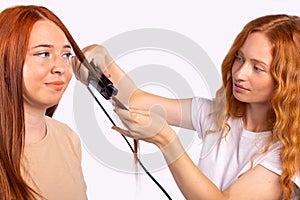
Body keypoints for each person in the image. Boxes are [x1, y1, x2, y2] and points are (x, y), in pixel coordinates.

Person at [74, 14, 300, 199]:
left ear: (289, 81)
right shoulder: (218, 115)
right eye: (239, 59)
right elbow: (135, 102)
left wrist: (167, 141)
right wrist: (102, 61)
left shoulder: (288, 154)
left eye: (257, 68)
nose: (239, 74)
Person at [0, 5, 89, 199]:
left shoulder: (67, 139)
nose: (60, 68)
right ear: (6, 62)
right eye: (43, 54)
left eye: (66, 55)